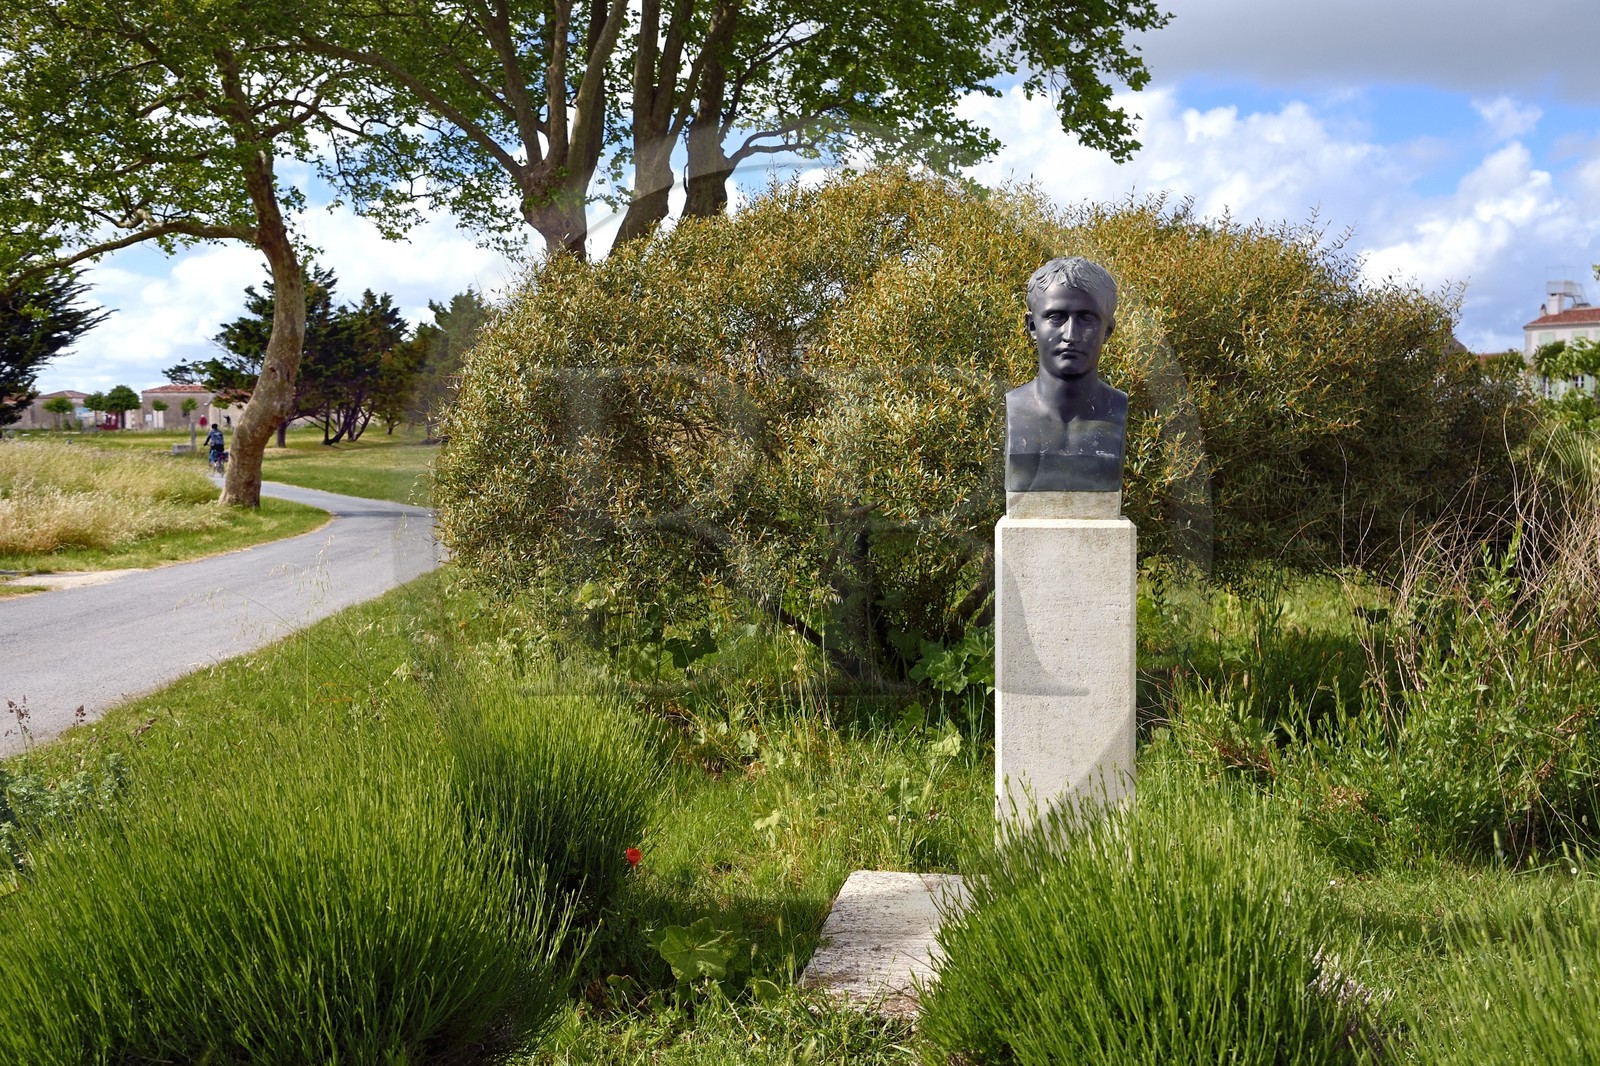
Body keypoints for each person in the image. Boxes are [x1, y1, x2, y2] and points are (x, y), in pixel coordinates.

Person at [1004, 257, 1127, 493]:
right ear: (1032, 326)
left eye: (1087, 318)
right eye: (1056, 317)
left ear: (1108, 330)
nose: (1071, 335)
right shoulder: (1016, 409)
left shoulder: (1117, 409)